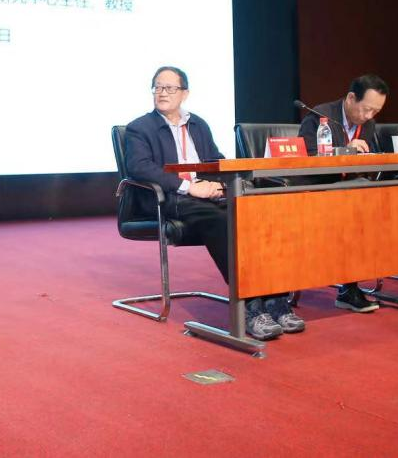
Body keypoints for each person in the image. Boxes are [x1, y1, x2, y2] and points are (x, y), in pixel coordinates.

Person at [124, 66, 303, 341]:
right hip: (169, 198)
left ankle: (276, 299)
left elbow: (214, 160)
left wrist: (222, 183)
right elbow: (140, 168)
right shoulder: (140, 127)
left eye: (169, 88)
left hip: (204, 193)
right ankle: (249, 306)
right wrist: (189, 187)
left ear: (185, 93)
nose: (162, 93)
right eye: (157, 87)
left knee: (255, 214)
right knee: (221, 220)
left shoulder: (198, 124)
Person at [296, 74, 390, 312]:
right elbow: (306, 159)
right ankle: (349, 288)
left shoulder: (368, 124)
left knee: (380, 203)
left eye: (376, 111)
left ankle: (351, 286)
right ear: (350, 98)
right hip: (318, 191)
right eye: (366, 109)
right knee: (362, 208)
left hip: (351, 191)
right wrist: (345, 150)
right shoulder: (319, 116)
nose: (369, 116)